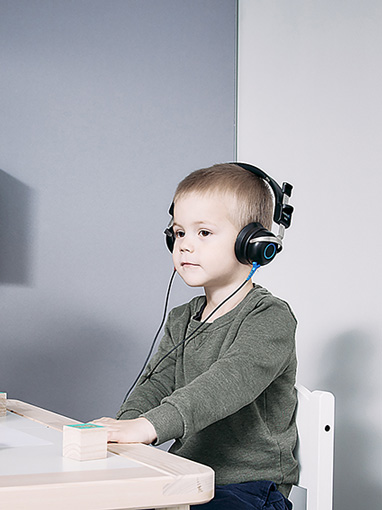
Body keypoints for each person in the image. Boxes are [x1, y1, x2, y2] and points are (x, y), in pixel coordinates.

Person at [93, 163, 298, 510]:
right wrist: (124, 429)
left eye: (203, 233)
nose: (185, 245)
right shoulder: (182, 318)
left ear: (255, 243)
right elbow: (155, 384)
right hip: (186, 477)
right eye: (179, 232)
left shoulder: (269, 318)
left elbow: (226, 383)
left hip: (249, 488)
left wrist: (150, 427)